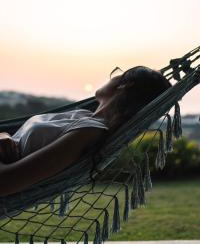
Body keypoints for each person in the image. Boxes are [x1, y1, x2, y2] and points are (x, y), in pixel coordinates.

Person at [0, 66, 171, 196]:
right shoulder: (83, 116)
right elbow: (14, 138)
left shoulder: (89, 131)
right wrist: (5, 135)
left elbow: (6, 182)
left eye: (118, 73)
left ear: (125, 84)